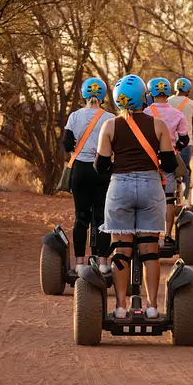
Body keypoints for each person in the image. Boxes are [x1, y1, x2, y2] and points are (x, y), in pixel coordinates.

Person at [94, 74, 178, 320]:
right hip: (151, 187)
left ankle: (120, 307)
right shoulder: (158, 125)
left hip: (120, 186)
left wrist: (120, 168)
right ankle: (152, 307)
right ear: (144, 97)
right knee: (150, 250)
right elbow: (170, 163)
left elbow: (100, 166)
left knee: (121, 249)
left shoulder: (109, 126)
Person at [63, 78, 116, 278]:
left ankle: (79, 264)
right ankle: (103, 263)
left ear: (84, 95)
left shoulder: (74, 116)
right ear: (102, 96)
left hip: (79, 171)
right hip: (101, 170)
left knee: (81, 218)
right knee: (102, 218)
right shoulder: (109, 117)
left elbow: (67, 144)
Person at [143, 77, 190, 247]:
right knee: (169, 199)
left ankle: (150, 237)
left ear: (150, 93)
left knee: (149, 200)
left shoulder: (146, 113)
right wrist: (174, 148)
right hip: (168, 159)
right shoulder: (178, 114)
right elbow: (184, 139)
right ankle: (168, 236)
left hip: (149, 160)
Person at [168, 77, 193, 206]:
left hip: (168, 142)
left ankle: (169, 197)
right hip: (186, 143)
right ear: (188, 90)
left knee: (169, 169)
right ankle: (186, 199)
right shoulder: (192, 104)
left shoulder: (167, 101)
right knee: (185, 169)